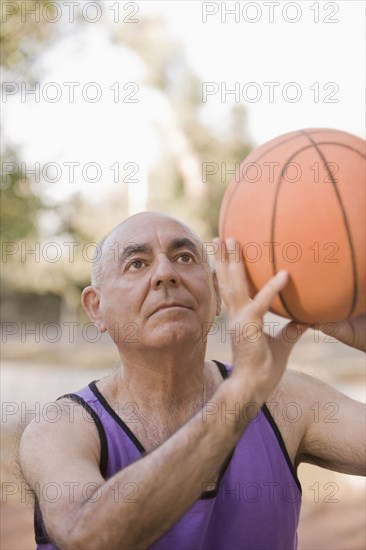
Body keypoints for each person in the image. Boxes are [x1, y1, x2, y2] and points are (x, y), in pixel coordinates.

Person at [20, 211, 365, 550]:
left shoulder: (283, 399)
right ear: (96, 308)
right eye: (137, 263)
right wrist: (239, 395)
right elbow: (87, 536)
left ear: (216, 292)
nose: (166, 274)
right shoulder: (61, 427)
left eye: (184, 257)